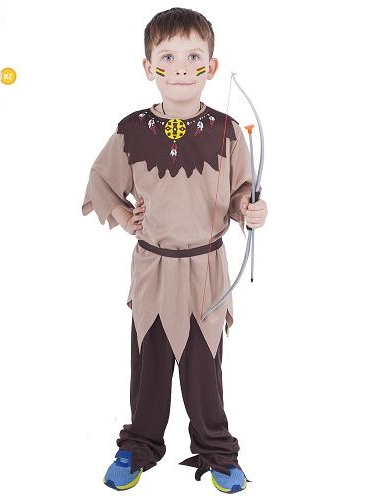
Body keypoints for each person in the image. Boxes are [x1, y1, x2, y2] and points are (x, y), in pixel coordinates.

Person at [81, 7, 268, 494]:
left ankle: (216, 448)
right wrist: (124, 217)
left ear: (211, 66)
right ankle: (140, 444)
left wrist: (251, 211)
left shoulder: (228, 132)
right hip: (154, 268)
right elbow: (102, 180)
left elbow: (241, 194)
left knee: (205, 368)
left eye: (193, 56)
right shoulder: (132, 130)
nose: (181, 68)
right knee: (150, 365)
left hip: (206, 269)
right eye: (167, 57)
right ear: (149, 67)